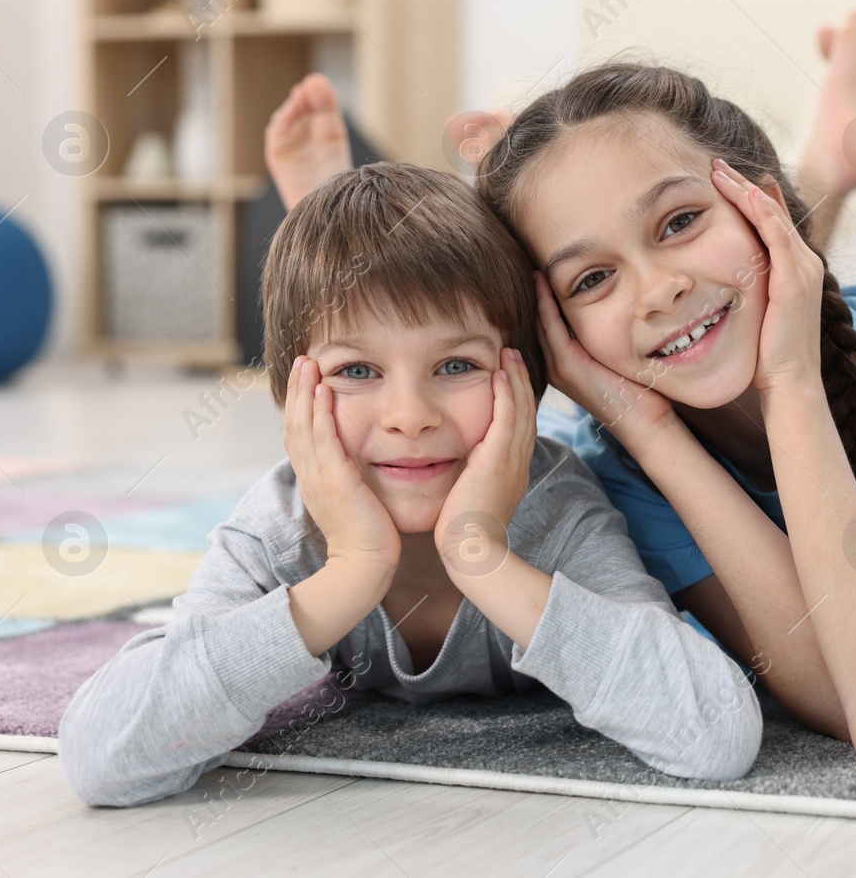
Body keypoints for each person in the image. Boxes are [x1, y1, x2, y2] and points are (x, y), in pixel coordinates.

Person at [263, 0, 856, 773]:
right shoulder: (623, 463)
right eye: (590, 278)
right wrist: (650, 435)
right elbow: (853, 703)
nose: (656, 288)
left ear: (758, 196)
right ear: (557, 334)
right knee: (727, 297)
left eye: (681, 219)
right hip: (746, 355)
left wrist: (793, 380)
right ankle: (827, 165)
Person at [59, 164, 761, 807]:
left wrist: (479, 552)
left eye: (455, 365)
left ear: (525, 378)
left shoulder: (559, 510)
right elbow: (98, 757)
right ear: (292, 395)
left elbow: (716, 734)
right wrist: (352, 570)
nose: (410, 418)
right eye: (357, 371)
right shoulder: (278, 528)